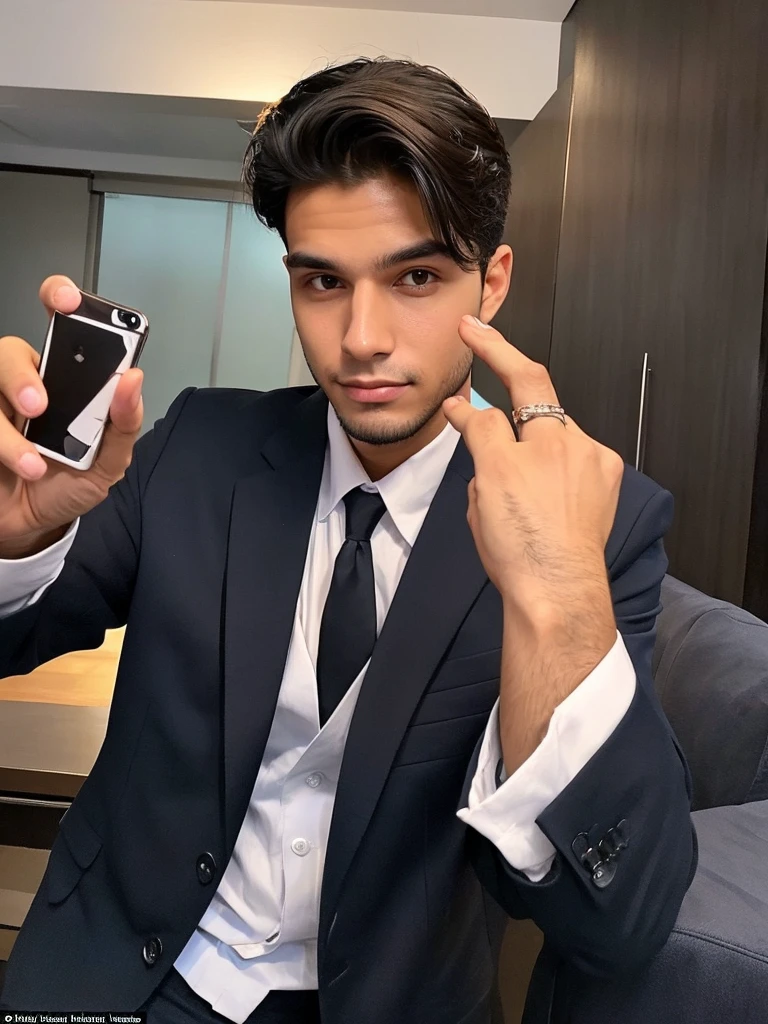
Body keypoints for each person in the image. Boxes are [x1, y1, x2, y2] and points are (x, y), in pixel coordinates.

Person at [0, 57, 695, 1024]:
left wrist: (559, 589)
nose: (361, 337)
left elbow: (617, 917)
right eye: (322, 280)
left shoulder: (602, 524)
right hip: (125, 971)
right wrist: (15, 538)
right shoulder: (199, 445)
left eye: (417, 276)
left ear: (491, 281)